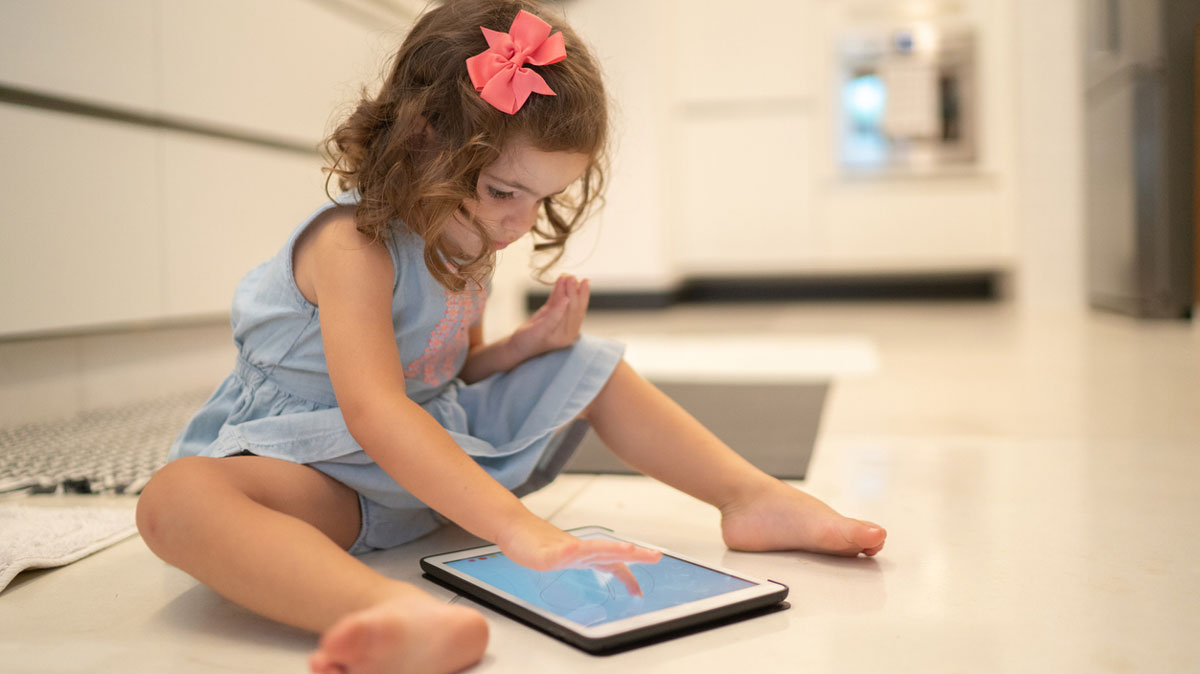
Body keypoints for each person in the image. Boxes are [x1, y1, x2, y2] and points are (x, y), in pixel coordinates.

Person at [135, 2, 887, 673]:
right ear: (423, 140)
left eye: (543, 199)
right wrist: (521, 531)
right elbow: (375, 411)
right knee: (178, 498)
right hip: (322, 476)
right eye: (504, 191)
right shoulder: (351, 246)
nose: (520, 223)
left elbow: (446, 374)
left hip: (426, 461)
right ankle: (387, 611)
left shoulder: (466, 242)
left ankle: (750, 497)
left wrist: (524, 350)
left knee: (587, 362)